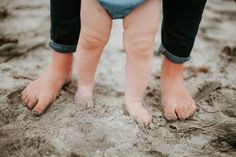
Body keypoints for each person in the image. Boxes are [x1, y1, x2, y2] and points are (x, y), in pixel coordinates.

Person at [21, 0, 207, 124]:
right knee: (90, 41)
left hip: (143, 2)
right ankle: (84, 86)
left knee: (141, 48)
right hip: (97, 1)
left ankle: (134, 99)